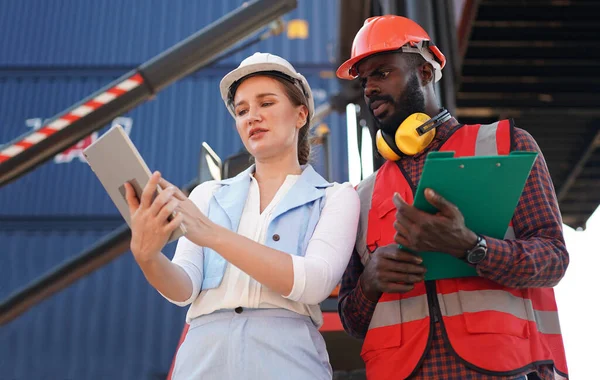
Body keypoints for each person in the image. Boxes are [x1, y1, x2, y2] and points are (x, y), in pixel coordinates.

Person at [336, 15, 569, 380]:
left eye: (382, 73)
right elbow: (352, 320)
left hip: (501, 369)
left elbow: (554, 260)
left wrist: (474, 248)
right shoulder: (359, 197)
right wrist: (369, 284)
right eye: (364, 80)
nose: (369, 88)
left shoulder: (506, 146)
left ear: (426, 73)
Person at [123, 52, 360, 380]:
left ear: (301, 114)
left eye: (266, 103)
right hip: (202, 360)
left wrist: (212, 234)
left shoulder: (335, 198)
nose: (252, 117)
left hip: (288, 362)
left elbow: (315, 282)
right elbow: (184, 289)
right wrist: (147, 258)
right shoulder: (207, 195)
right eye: (242, 110)